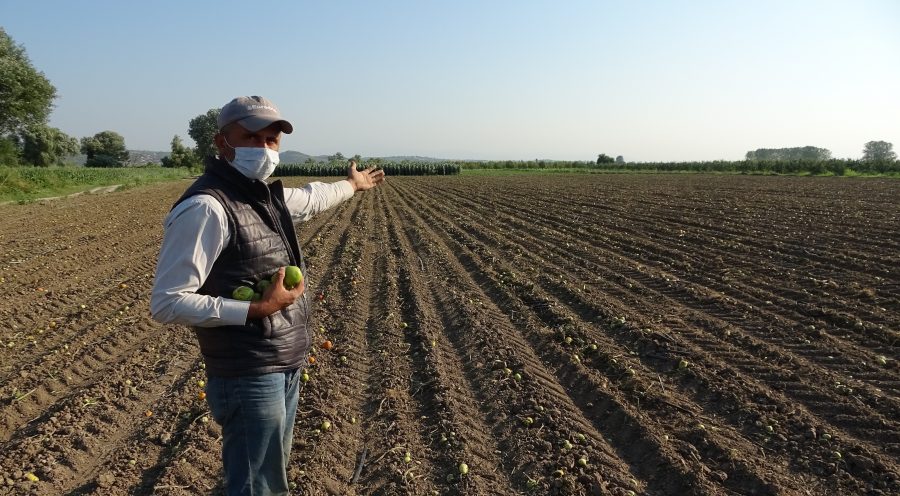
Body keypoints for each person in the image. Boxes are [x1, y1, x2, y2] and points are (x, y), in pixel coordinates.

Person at [150, 95, 385, 495]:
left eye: (271, 140)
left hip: (281, 364)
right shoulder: (206, 208)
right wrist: (257, 308)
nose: (264, 148)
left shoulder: (261, 196)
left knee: (268, 477)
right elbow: (168, 302)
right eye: (251, 137)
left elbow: (313, 198)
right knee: (256, 485)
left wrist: (352, 184)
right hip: (248, 372)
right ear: (222, 143)